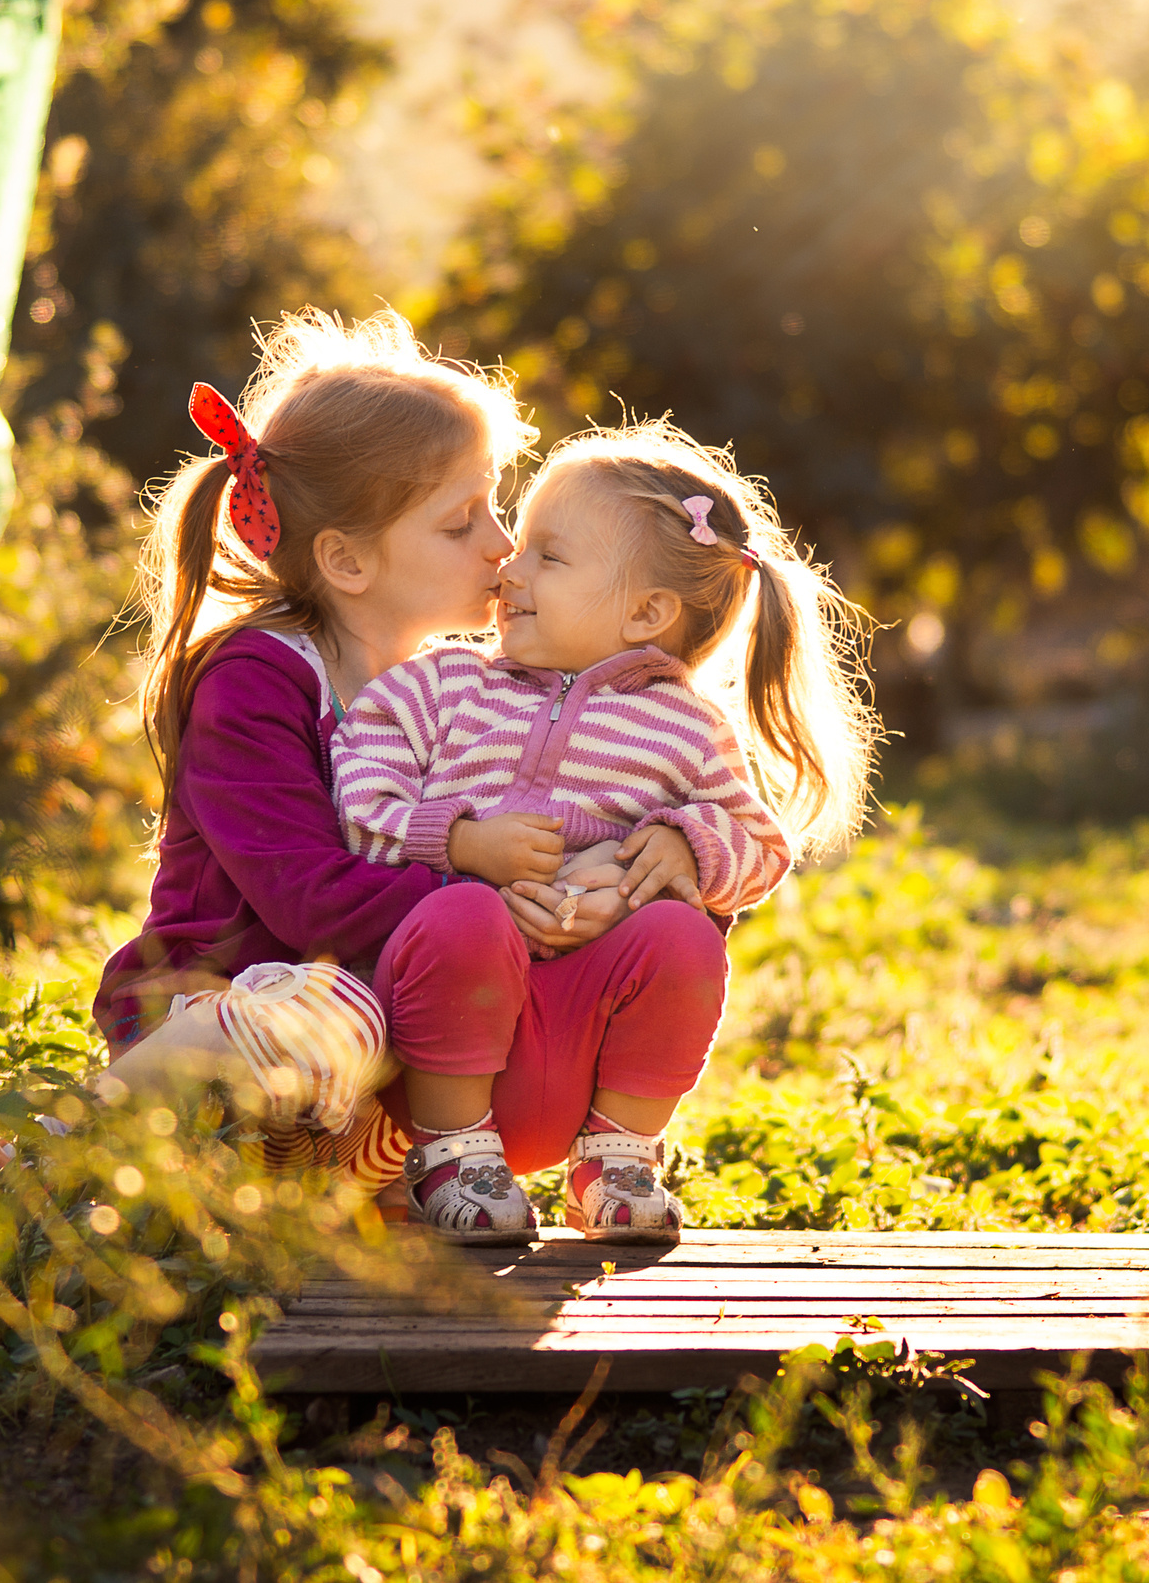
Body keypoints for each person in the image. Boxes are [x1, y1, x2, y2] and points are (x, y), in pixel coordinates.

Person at [86, 309, 707, 1214]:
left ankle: (376, 1180)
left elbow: (573, 813)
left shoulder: (443, 688)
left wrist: (651, 858)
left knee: (415, 1015)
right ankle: (77, 1147)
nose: (503, 547)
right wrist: (490, 891)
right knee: (331, 1010)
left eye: (497, 510)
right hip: (226, 1013)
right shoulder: (257, 676)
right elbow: (308, 900)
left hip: (364, 1038)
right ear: (347, 560)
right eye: (464, 522)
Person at [330, 419, 880, 1244]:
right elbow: (357, 792)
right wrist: (462, 844)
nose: (511, 566)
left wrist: (681, 846)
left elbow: (763, 848)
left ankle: (617, 1160)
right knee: (465, 917)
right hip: (443, 1040)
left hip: (581, 1035)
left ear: (646, 612)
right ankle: (451, 1158)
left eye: (549, 556)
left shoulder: (687, 729)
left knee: (682, 935)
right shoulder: (443, 685)